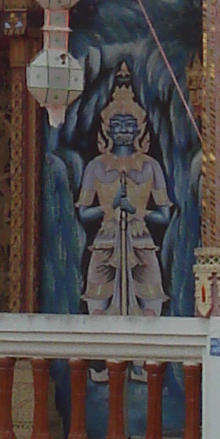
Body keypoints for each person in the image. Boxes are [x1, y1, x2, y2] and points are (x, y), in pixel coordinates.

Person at [76, 66, 169, 318]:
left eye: (129, 125)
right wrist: (110, 207)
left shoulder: (151, 167)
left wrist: (137, 210)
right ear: (107, 129)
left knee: (152, 306)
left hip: (141, 240)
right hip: (105, 240)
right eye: (118, 125)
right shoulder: (95, 167)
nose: (124, 131)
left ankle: (145, 357)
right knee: (97, 306)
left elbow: (164, 216)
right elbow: (83, 214)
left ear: (139, 128)